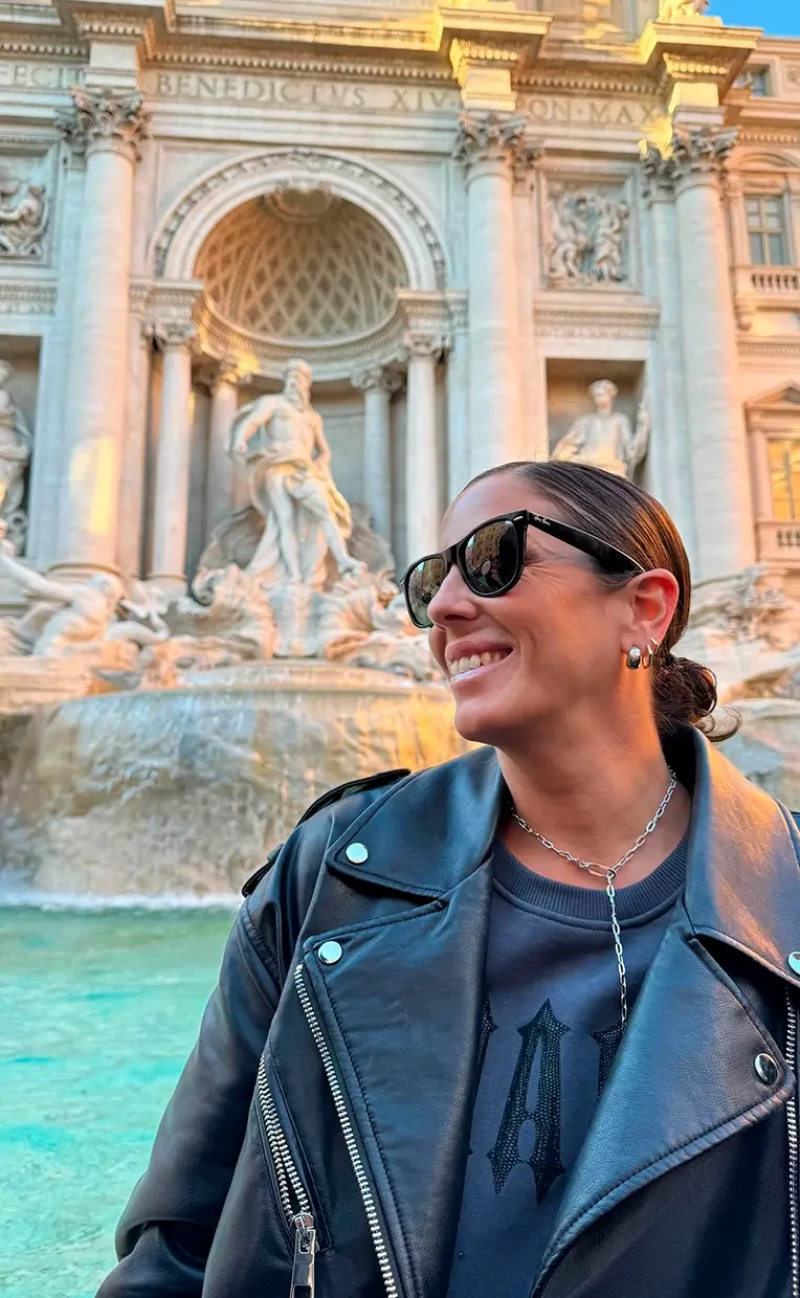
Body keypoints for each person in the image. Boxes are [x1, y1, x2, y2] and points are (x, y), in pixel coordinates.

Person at [98, 460, 800, 1298]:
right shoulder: (332, 870)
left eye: (496, 557)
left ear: (644, 609)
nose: (445, 607)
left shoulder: (786, 895)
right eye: (430, 579)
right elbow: (179, 1239)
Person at [230, 358, 361, 585]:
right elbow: (253, 420)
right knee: (284, 521)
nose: (293, 382)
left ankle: (343, 559)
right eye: (290, 378)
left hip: (305, 471)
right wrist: (241, 439)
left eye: (298, 379)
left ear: (306, 384)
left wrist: (322, 463)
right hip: (277, 468)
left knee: (325, 511)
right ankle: (294, 576)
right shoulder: (274, 404)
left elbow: (324, 451)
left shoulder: (312, 417)